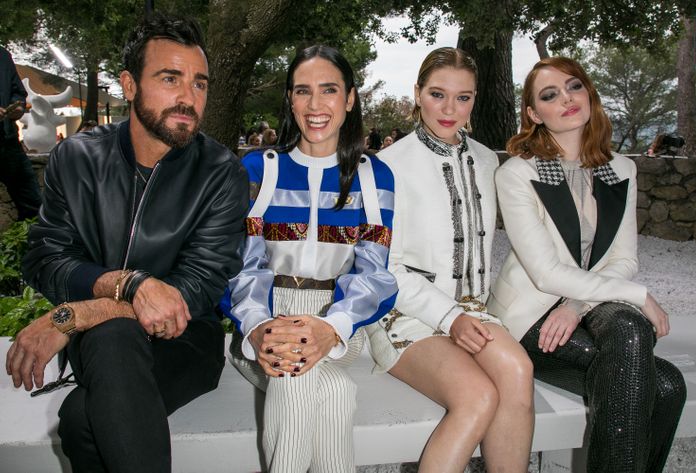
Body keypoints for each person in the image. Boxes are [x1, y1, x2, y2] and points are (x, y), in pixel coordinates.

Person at [5, 13, 249, 473]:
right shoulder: (77, 158)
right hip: (100, 344)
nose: (188, 97)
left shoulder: (220, 173)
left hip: (186, 342)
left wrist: (77, 312)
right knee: (89, 395)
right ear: (129, 84)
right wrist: (125, 284)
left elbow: (195, 290)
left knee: (83, 416)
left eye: (199, 83)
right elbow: (43, 257)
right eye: (170, 78)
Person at [489, 56, 686, 473]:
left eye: (573, 86)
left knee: (656, 370)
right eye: (549, 95)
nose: (566, 98)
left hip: (584, 306)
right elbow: (545, 273)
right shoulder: (518, 174)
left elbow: (623, 258)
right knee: (661, 379)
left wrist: (576, 306)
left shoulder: (621, 169)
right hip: (530, 316)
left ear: (589, 94)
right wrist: (638, 296)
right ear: (533, 114)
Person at [222, 45, 397, 473]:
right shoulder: (256, 170)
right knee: (330, 391)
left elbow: (376, 275)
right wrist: (259, 323)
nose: (315, 105)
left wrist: (329, 326)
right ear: (290, 99)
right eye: (303, 91)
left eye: (329, 90)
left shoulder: (375, 177)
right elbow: (236, 267)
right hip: (262, 319)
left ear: (350, 98)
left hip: (341, 323)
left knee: (295, 373)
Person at [365, 47, 534, 473]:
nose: (449, 108)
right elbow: (387, 268)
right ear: (417, 93)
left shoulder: (486, 159)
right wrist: (449, 316)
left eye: (463, 97)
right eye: (438, 94)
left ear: (475, 100)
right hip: (404, 315)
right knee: (477, 397)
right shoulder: (386, 166)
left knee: (518, 370)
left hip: (475, 313)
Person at [0, 45, 42, 221]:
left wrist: (17, 106)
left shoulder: (2, 55)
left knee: (33, 204)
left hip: (7, 141)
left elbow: (18, 92)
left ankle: (35, 243)